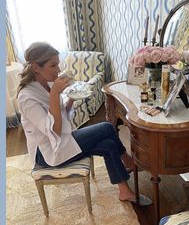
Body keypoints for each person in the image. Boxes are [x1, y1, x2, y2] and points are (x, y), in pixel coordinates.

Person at [17, 42, 135, 202]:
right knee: (107, 128)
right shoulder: (27, 98)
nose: (58, 69)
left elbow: (61, 117)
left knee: (108, 144)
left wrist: (71, 99)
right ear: (36, 67)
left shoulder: (46, 84)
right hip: (46, 153)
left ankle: (124, 190)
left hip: (61, 140)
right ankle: (128, 160)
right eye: (53, 65)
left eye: (58, 64)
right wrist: (54, 94)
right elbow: (54, 131)